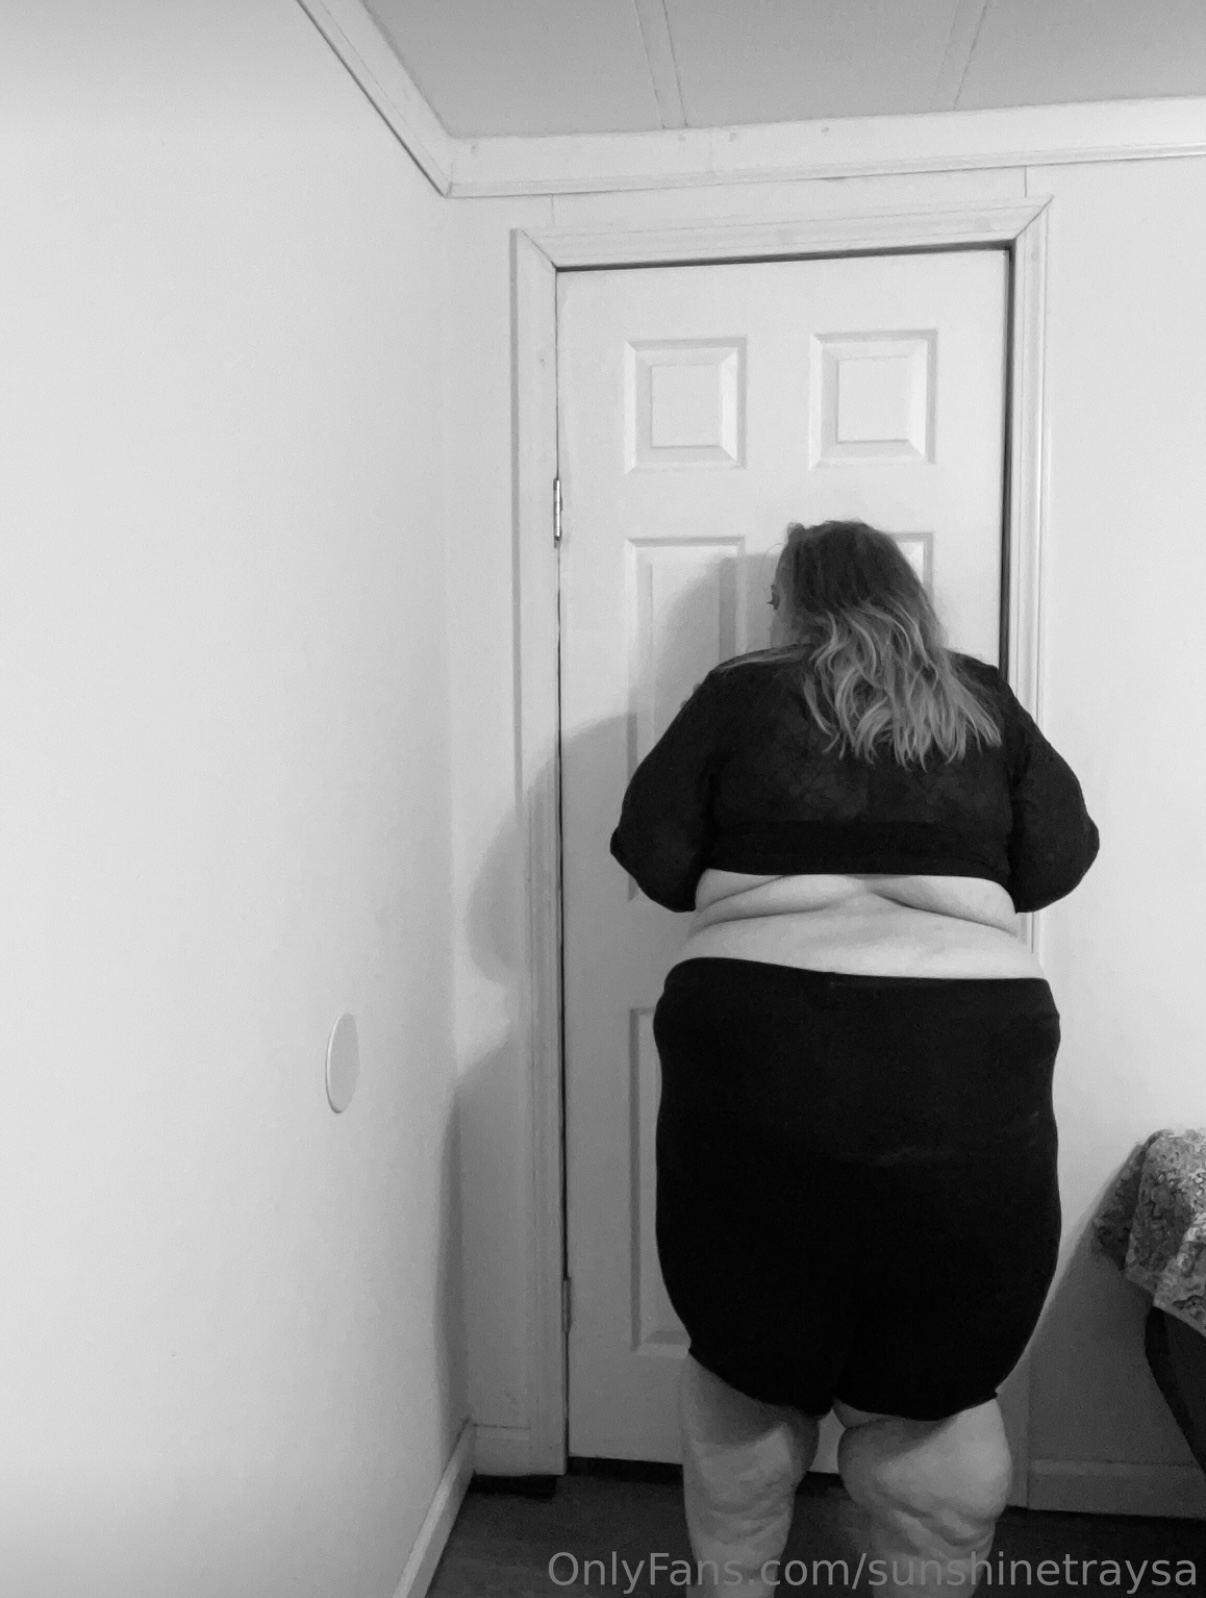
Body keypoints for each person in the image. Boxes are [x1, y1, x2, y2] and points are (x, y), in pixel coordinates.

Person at [608, 520, 1100, 1598]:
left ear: (790, 600)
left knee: (747, 1371)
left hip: (757, 1047)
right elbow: (1060, 857)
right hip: (964, 1063)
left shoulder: (739, 692)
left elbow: (651, 851)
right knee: (935, 1396)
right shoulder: (976, 696)